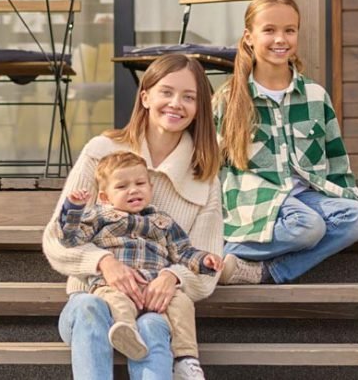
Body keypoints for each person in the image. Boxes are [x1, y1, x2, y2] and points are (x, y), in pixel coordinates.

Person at [43, 54, 223, 380]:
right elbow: (57, 238)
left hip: (155, 309)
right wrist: (103, 263)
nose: (176, 104)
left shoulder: (205, 177)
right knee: (89, 309)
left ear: (200, 107)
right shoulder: (102, 151)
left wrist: (173, 277)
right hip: (92, 298)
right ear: (146, 97)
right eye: (166, 92)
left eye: (189, 97)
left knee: (153, 327)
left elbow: (206, 263)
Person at [215, 0, 358, 285]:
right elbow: (213, 167)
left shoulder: (315, 95)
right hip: (257, 199)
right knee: (308, 227)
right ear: (249, 37)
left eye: (290, 30)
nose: (281, 39)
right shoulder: (229, 99)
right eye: (270, 30)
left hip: (307, 196)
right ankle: (222, 249)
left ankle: (267, 272)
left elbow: (336, 159)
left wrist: (351, 199)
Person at [59, 151, 222, 369]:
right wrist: (73, 208)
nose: (133, 189)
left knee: (182, 302)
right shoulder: (99, 217)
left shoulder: (163, 222)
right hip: (113, 286)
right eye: (122, 186)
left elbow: (183, 251)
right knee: (116, 300)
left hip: (153, 290)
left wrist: (204, 260)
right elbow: (70, 238)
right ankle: (126, 331)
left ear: (150, 189)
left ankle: (186, 359)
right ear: (105, 197)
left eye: (140, 183)